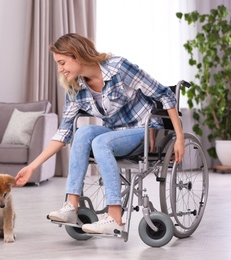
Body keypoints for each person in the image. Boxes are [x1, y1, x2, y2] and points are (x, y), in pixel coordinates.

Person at [15, 33, 185, 234]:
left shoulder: (118, 68)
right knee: (83, 132)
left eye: (62, 63)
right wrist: (32, 167)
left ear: (77, 55)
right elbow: (63, 133)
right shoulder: (75, 86)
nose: (60, 69)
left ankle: (114, 216)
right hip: (114, 133)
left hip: (144, 130)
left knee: (100, 142)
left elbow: (164, 94)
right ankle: (71, 206)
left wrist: (179, 136)